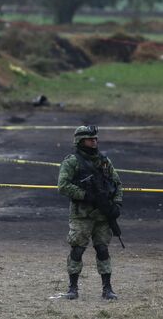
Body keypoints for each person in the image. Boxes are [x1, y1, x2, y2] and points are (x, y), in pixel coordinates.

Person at [58, 125, 123, 300]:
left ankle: (107, 289)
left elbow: (117, 183)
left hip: (102, 216)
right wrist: (85, 195)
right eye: (90, 139)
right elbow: (63, 186)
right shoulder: (72, 161)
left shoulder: (104, 161)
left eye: (95, 139)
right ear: (80, 141)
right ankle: (72, 288)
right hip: (82, 215)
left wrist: (117, 204)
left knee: (102, 249)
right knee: (77, 250)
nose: (94, 142)